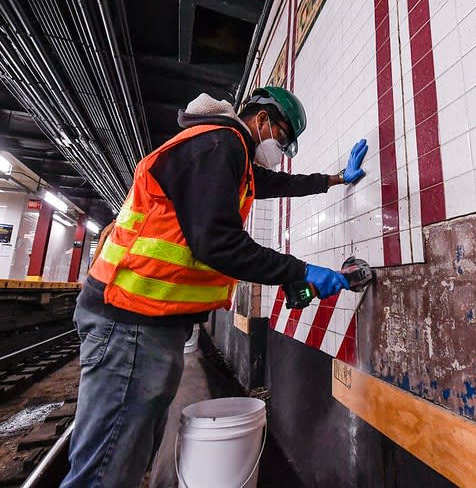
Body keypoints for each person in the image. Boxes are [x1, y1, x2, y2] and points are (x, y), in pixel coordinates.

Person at [61, 87, 368, 487]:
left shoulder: (225, 151)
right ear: (262, 120)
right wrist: (300, 271)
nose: (281, 146)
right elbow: (218, 243)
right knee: (107, 468)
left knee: (130, 450)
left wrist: (336, 179)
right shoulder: (220, 145)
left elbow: (273, 184)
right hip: (130, 320)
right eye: (282, 135)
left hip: (147, 322)